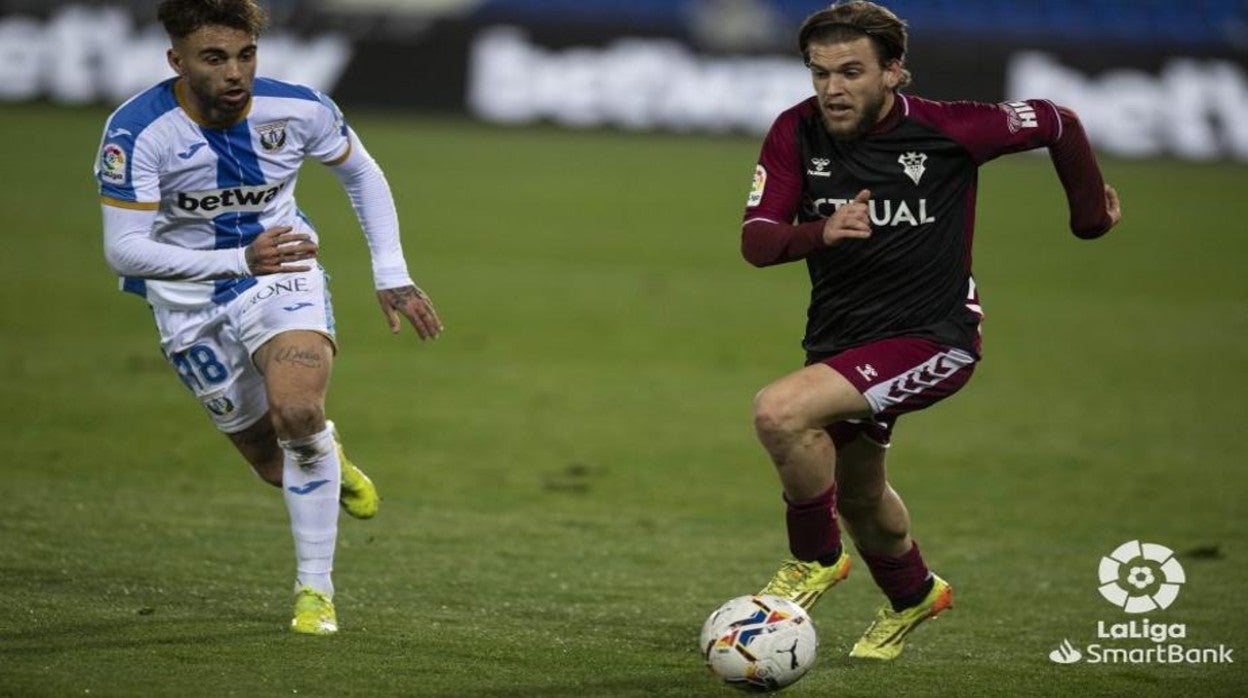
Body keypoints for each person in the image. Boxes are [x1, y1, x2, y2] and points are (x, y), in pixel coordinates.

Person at [741, 1, 1120, 660]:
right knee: (859, 496)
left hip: (935, 336)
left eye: (852, 71)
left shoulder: (952, 129)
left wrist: (1089, 217)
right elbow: (758, 240)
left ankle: (814, 560)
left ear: (894, 72)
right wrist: (821, 231)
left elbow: (1058, 120)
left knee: (779, 412)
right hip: (840, 340)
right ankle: (915, 593)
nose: (833, 88)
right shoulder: (794, 131)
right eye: (820, 72)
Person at [94, 0, 443, 635]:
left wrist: (391, 271)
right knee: (270, 460)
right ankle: (328, 458)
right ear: (177, 60)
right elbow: (123, 248)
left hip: (282, 272)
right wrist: (235, 258)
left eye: (246, 55)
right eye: (215, 58)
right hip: (187, 300)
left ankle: (316, 595)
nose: (235, 72)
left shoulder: (300, 108)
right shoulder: (138, 131)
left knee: (300, 412)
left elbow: (361, 173)